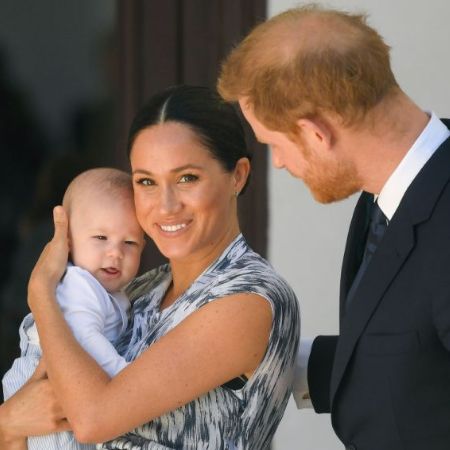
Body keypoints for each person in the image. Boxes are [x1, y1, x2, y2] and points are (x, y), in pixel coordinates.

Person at [0, 85, 300, 450]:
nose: (166, 205)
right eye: (146, 182)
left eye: (187, 178)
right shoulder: (137, 291)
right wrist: (8, 421)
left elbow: (92, 419)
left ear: (237, 175)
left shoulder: (248, 298)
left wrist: (41, 294)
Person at [217, 5, 450, 450]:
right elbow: (412, 357)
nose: (280, 163)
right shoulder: (388, 193)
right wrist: (264, 357)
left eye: (273, 145)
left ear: (316, 133)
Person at [2, 167, 145, 449]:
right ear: (67, 241)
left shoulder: (112, 292)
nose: (115, 252)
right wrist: (126, 379)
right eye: (101, 238)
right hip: (45, 383)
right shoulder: (79, 285)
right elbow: (85, 339)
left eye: (129, 242)